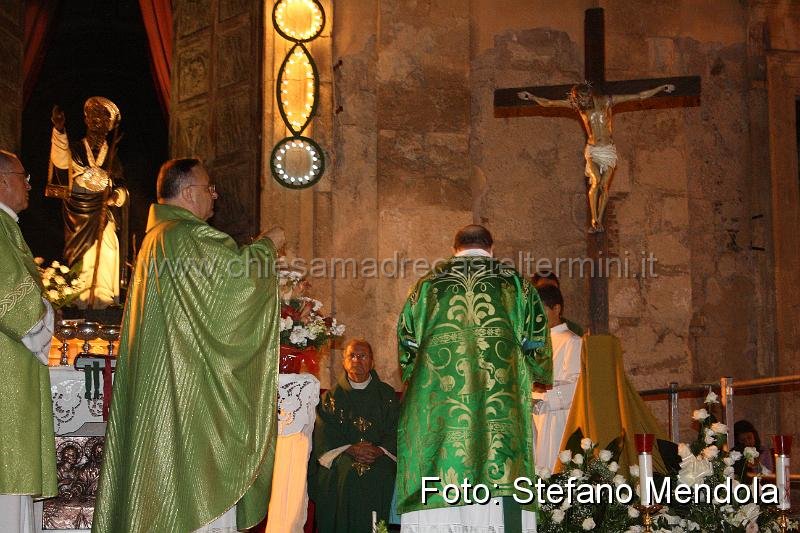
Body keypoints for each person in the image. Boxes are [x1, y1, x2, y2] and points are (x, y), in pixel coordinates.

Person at [92, 158, 284, 533]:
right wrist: (267, 247)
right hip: (191, 402)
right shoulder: (189, 238)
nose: (214, 195)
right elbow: (237, 288)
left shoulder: (157, 240)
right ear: (188, 192)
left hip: (166, 394)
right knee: (194, 496)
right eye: (209, 188)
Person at [396, 224, 552, 532]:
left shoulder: (427, 286)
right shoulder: (516, 285)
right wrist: (535, 373)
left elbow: (408, 348)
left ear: (455, 249)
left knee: (438, 477)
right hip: (500, 417)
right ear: (491, 248)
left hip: (441, 418)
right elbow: (537, 345)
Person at [518, 82, 675, 232]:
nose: (583, 102)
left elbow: (639, 96)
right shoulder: (579, 107)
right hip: (593, 150)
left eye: (585, 99)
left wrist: (661, 88)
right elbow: (550, 103)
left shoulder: (607, 101)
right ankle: (595, 220)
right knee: (596, 181)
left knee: (604, 186)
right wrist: (531, 97)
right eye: (579, 100)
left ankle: (599, 219)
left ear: (590, 94)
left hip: (607, 150)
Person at [0, 150, 57, 532]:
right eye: (24, 177)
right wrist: (47, 317)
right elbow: (13, 299)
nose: (29, 185)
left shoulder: (9, 227)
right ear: (3, 180)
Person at [309, 338, 400, 533]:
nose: (357, 360)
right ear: (344, 361)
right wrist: (349, 448)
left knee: (383, 473)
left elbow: (396, 429)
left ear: (372, 362)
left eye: (363, 356)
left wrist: (380, 450)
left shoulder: (388, 395)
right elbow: (325, 434)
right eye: (352, 355)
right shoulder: (329, 398)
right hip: (343, 459)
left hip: (381, 459)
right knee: (345, 473)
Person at [50, 97, 128, 308]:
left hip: (103, 212)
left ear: (109, 125)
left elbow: (122, 186)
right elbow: (61, 164)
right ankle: (81, 300)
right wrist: (59, 131)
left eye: (102, 117)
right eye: (92, 116)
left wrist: (115, 196)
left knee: (108, 248)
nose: (97, 120)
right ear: (85, 119)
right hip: (78, 213)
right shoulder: (75, 149)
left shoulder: (113, 156)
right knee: (83, 255)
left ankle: (103, 300)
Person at [532, 285, 583, 471]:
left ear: (557, 309)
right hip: (534, 418)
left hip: (556, 420)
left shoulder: (572, 341)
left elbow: (576, 386)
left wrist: (544, 392)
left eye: (541, 310)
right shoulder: (534, 344)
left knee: (552, 471)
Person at [532, 270, 584, 337]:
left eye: (553, 290)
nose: (550, 294)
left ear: (557, 308)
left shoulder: (574, 331)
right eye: (544, 290)